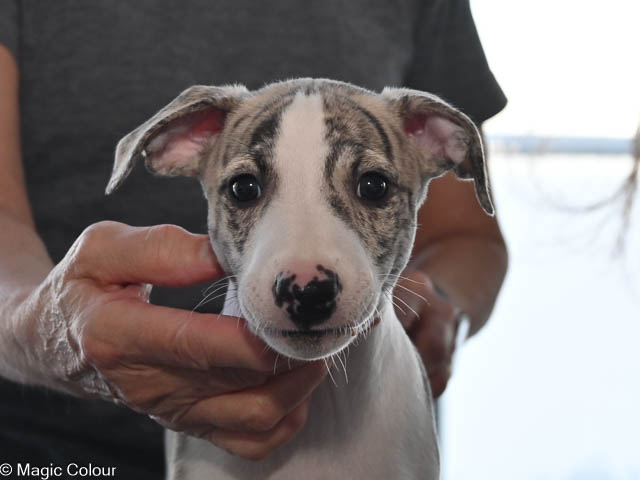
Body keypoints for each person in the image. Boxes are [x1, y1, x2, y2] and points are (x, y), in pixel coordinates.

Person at [0, 0, 508, 476]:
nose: (305, 280)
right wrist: (42, 328)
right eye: (245, 188)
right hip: (44, 449)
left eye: (372, 186)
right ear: (180, 143)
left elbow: (467, 236)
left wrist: (443, 309)